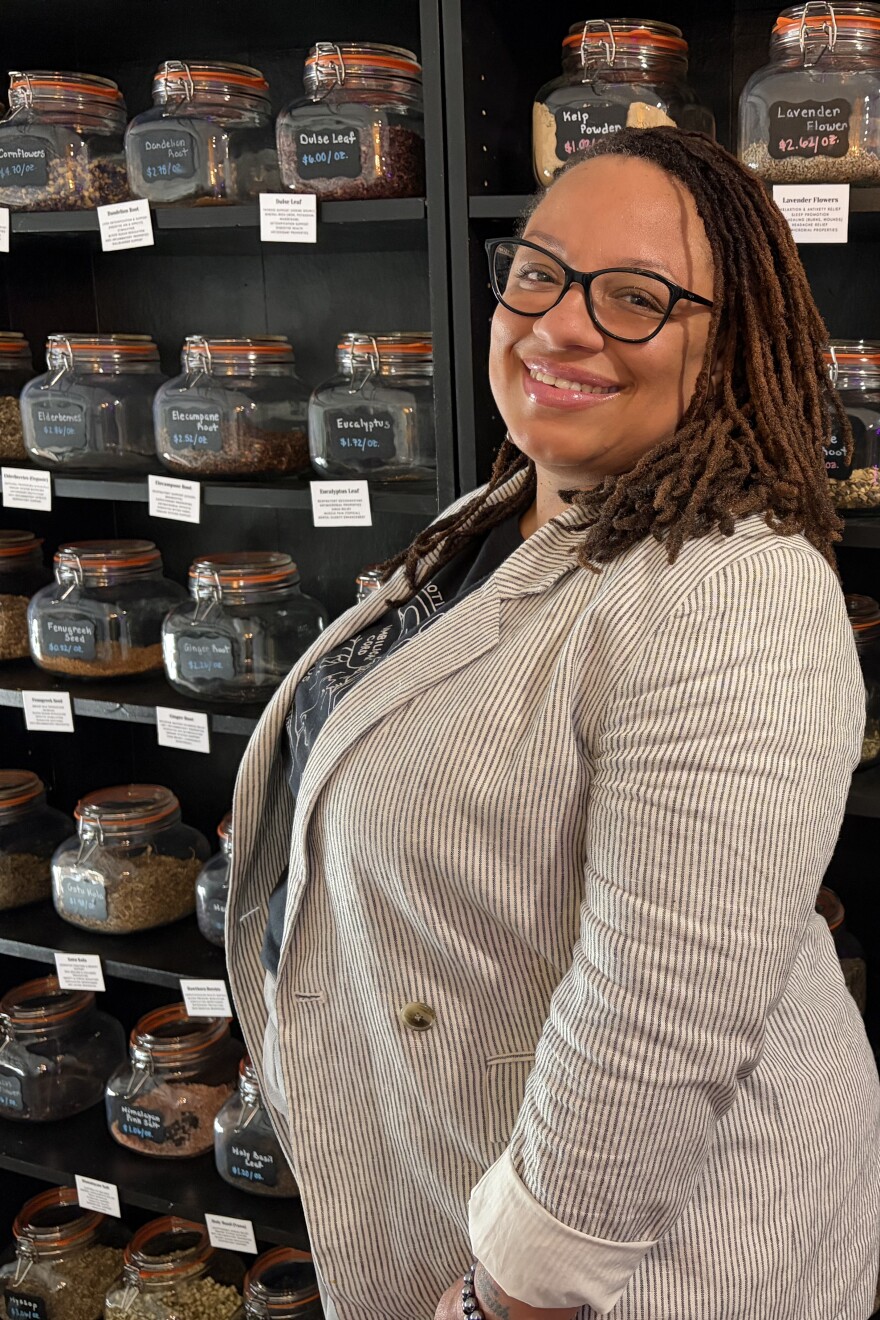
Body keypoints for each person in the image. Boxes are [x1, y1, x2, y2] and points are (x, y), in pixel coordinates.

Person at [225, 128, 880, 1320]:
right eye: (538, 272)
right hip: (447, 1184)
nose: (561, 324)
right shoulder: (508, 513)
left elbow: (653, 1029)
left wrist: (505, 1300)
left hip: (652, 1275)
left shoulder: (734, 588)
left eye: (636, 298)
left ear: (728, 347)